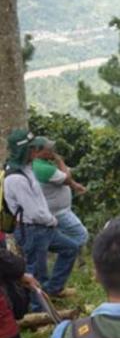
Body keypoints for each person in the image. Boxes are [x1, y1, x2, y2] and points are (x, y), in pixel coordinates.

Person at [3, 129, 80, 304]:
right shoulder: (16, 178)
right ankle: (38, 310)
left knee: (71, 248)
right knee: (37, 272)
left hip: (44, 227)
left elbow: (38, 200)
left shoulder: (27, 169)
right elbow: (32, 211)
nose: (35, 152)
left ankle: (53, 290)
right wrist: (51, 220)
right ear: (24, 150)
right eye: (31, 149)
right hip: (33, 229)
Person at [30, 136, 89, 247]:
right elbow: (66, 178)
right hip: (58, 212)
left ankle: (69, 254)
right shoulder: (43, 168)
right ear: (38, 151)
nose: (53, 151)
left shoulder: (43, 163)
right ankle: (70, 256)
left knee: (60, 237)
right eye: (49, 149)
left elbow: (64, 176)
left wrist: (75, 185)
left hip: (54, 211)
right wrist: (59, 160)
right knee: (81, 234)